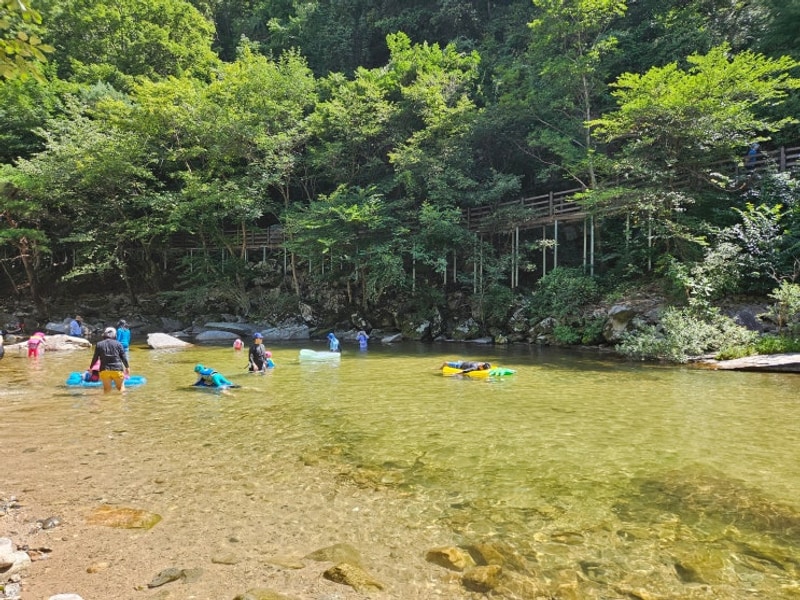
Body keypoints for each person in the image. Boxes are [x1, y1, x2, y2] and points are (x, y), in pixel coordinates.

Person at [89, 327, 130, 393]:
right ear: (114, 335)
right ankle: (123, 402)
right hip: (117, 369)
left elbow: (95, 358)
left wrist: (91, 368)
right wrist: (127, 367)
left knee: (107, 390)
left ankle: (106, 402)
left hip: (104, 370)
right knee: (121, 387)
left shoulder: (99, 344)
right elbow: (123, 357)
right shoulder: (118, 344)